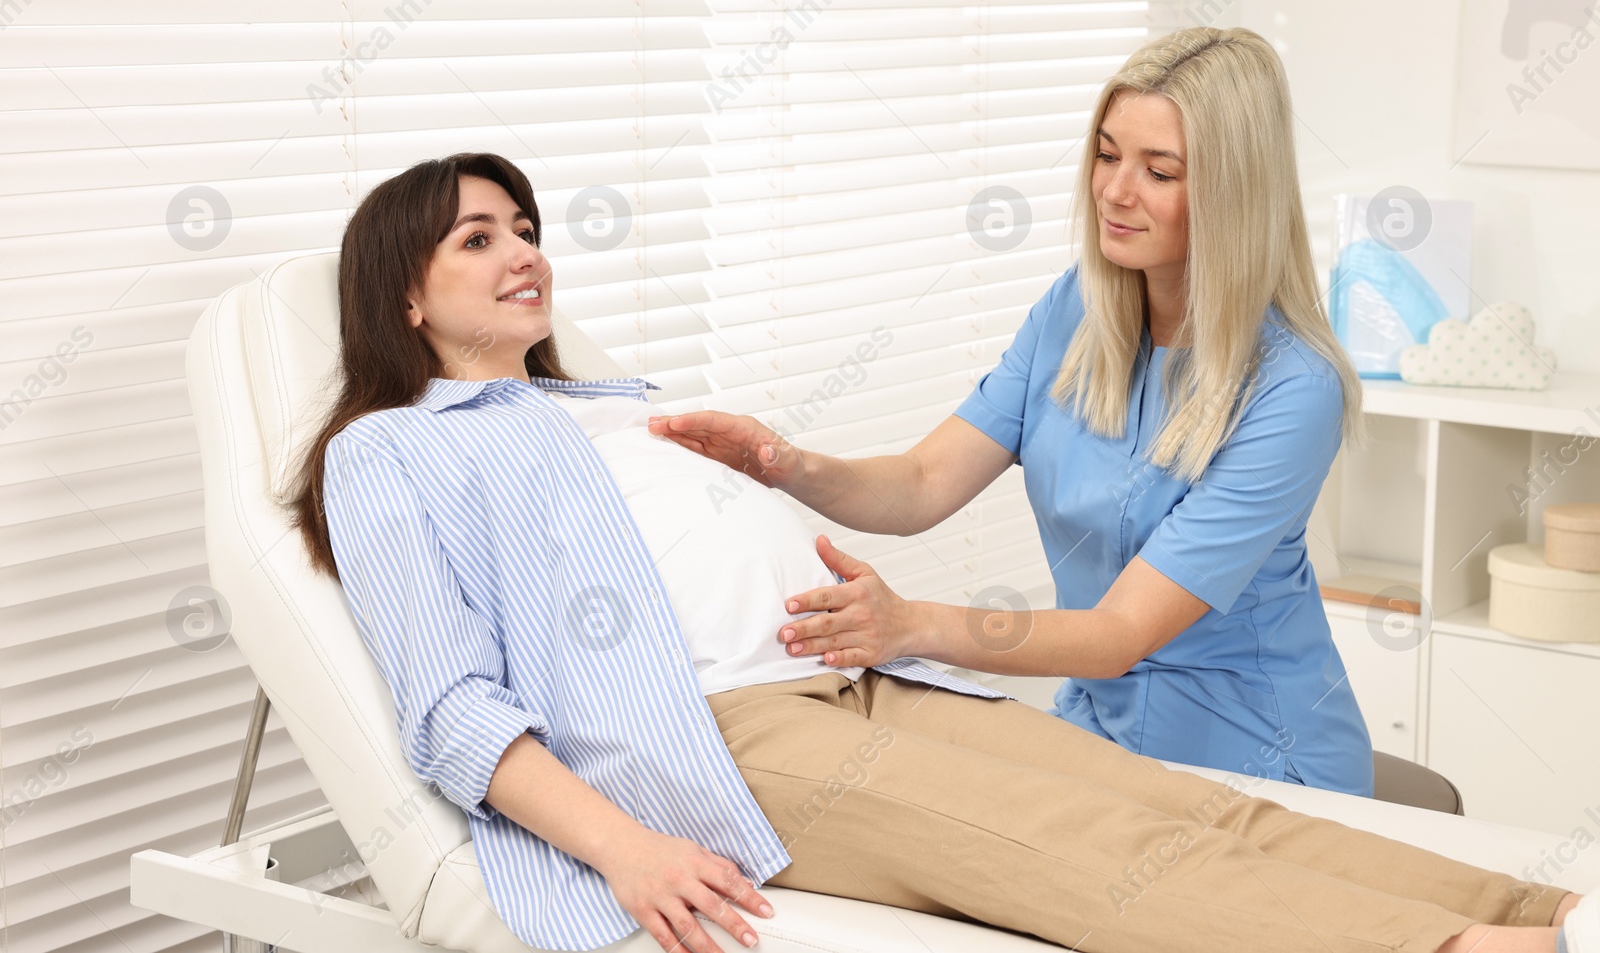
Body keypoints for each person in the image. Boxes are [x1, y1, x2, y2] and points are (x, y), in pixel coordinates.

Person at [287, 152, 1594, 953]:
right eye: (480, 237)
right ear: (404, 293)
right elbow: (453, 704)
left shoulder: (605, 397)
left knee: (1193, 806)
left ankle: (1553, 912)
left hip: (874, 671)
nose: (525, 249)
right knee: (1093, 850)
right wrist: (625, 846)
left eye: (525, 224)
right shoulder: (394, 450)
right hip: (728, 733)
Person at [649, 26, 1376, 796]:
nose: (1115, 190)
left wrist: (909, 624)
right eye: (1105, 154)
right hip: (1101, 739)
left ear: (1235, 194)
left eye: (1158, 171)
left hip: (1260, 762)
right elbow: (926, 480)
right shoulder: (1075, 314)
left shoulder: (1294, 388)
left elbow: (1119, 633)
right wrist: (788, 465)